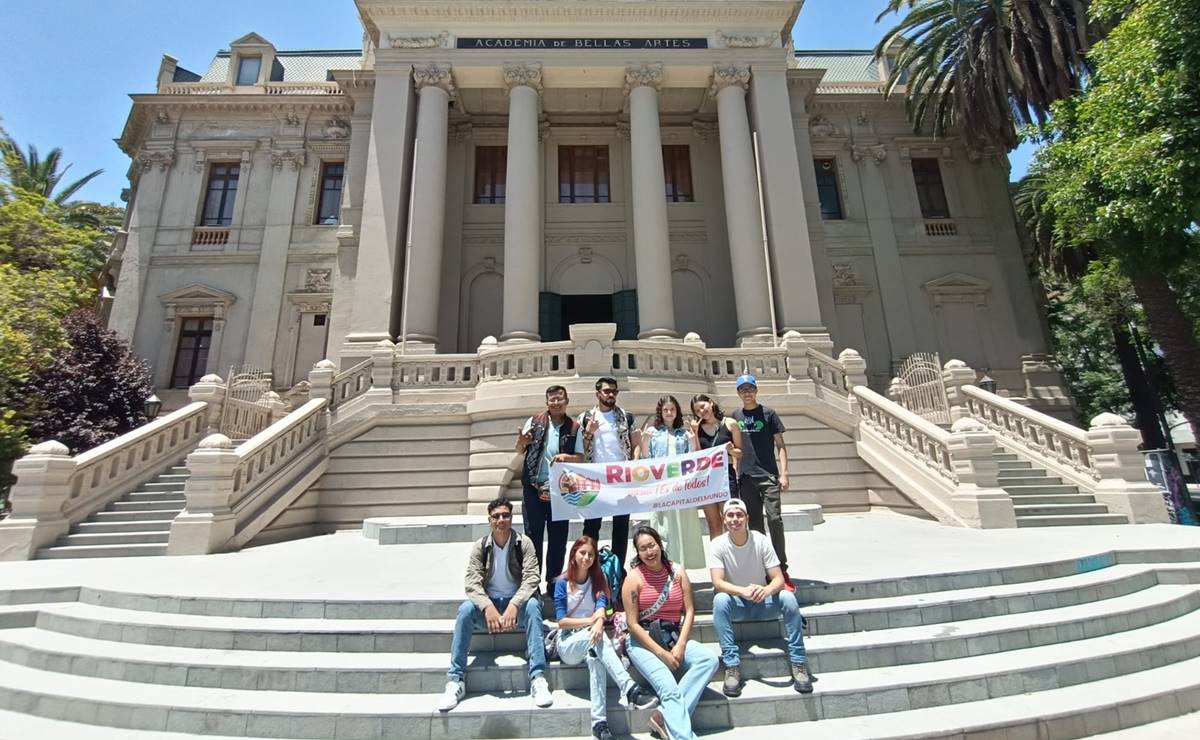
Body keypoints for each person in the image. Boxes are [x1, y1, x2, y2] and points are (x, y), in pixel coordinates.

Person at [439, 498, 553, 712]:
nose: (502, 520)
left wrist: (514, 605)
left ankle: (538, 678)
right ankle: (456, 680)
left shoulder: (523, 543)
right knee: (465, 610)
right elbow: (471, 582)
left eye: (506, 515)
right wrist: (487, 607)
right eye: (497, 516)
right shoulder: (481, 546)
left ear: (512, 518)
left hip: (515, 608)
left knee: (533, 606)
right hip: (490, 610)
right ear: (489, 520)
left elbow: (532, 578)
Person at [554, 536, 657, 740]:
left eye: (591, 555)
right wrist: (592, 621)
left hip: (593, 637)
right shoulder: (562, 582)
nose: (587, 558)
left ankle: (599, 724)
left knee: (596, 659)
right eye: (582, 553)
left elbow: (602, 610)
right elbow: (561, 621)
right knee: (597, 640)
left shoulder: (599, 580)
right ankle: (628, 687)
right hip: (568, 643)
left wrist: (598, 622)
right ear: (574, 554)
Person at [621, 526, 719, 740]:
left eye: (652, 545)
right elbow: (633, 624)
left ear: (660, 544)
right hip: (643, 642)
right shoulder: (633, 579)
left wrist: (681, 643)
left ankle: (664, 716)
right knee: (670, 690)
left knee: (709, 660)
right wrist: (662, 654)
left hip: (672, 636)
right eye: (643, 548)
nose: (649, 552)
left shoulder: (677, 572)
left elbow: (690, 610)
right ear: (637, 553)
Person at [708, 498, 813, 697]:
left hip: (763, 602)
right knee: (720, 600)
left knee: (788, 598)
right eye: (730, 515)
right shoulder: (717, 544)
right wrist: (741, 591)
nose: (735, 519)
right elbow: (718, 582)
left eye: (739, 515)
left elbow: (778, 579)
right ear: (723, 519)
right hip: (737, 603)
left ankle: (798, 661)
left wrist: (765, 591)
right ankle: (732, 665)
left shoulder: (761, 540)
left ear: (747, 518)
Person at [731, 374, 793, 590]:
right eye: (742, 390)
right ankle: (764, 568)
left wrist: (784, 473)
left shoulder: (769, 414)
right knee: (755, 526)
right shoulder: (735, 415)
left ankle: (781, 567)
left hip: (767, 475)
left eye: (750, 389)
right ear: (738, 393)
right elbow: (733, 446)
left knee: (775, 519)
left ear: (756, 390)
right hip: (746, 477)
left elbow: (781, 445)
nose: (746, 393)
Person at [516, 385, 579, 589]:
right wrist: (521, 442)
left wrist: (566, 457)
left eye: (560, 399)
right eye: (552, 399)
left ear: (567, 401)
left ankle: (553, 585)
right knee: (532, 538)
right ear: (547, 403)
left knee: (558, 540)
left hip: (559, 491)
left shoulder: (574, 427)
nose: (556, 402)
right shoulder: (535, 422)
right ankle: (532, 585)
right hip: (533, 488)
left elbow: (581, 457)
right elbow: (520, 449)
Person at [572, 377, 639, 566]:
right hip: (595, 479)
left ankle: (617, 570)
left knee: (621, 526)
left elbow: (635, 445)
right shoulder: (586, 418)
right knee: (591, 526)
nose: (611, 395)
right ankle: (588, 567)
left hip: (621, 479)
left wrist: (635, 462)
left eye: (614, 391)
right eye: (607, 391)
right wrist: (589, 432)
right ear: (597, 393)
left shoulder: (626, 416)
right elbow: (580, 450)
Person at [642, 395, 706, 570]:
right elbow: (645, 459)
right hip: (661, 488)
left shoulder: (684, 434)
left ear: (677, 411)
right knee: (661, 526)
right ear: (660, 412)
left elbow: (694, 458)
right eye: (665, 410)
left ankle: (680, 567)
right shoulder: (653, 433)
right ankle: (661, 566)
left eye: (672, 409)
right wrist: (645, 441)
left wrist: (693, 441)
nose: (669, 413)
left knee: (681, 526)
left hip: (681, 488)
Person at [690, 393, 743, 540]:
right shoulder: (697, 428)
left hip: (726, 478)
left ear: (711, 403)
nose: (701, 411)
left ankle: (734, 558)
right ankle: (717, 560)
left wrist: (731, 451)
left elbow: (740, 453)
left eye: (703, 406)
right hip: (707, 479)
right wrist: (694, 433)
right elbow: (697, 455)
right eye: (697, 410)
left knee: (730, 521)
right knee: (714, 524)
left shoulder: (730, 423)